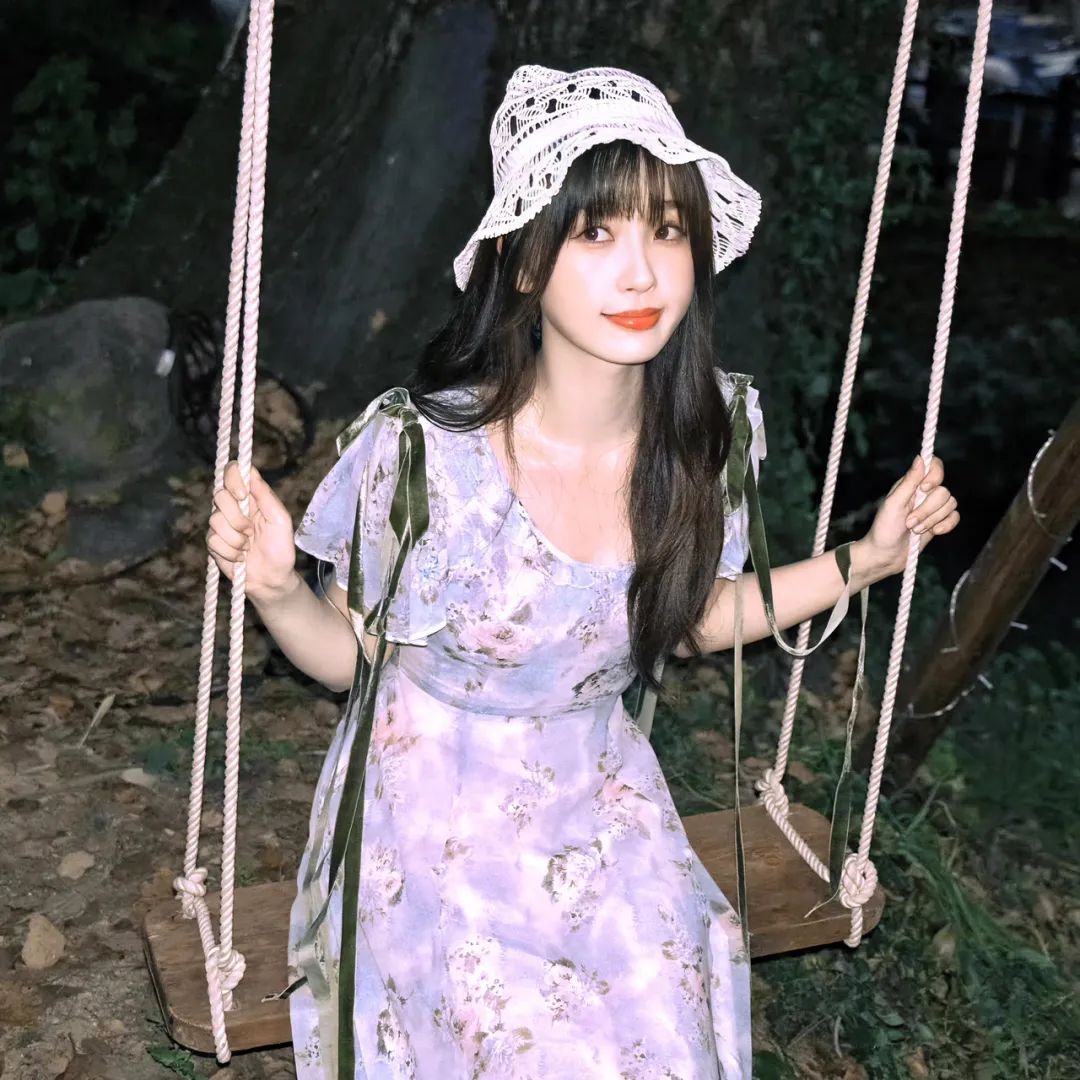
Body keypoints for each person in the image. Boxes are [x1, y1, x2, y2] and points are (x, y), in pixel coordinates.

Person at [205, 65, 959, 1080]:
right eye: (596, 233)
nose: (641, 274)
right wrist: (275, 587)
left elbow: (693, 619)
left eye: (668, 231)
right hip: (430, 812)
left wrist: (865, 561)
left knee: (667, 1039)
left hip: (600, 801)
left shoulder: (702, 441)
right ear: (523, 262)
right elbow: (352, 661)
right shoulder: (428, 458)